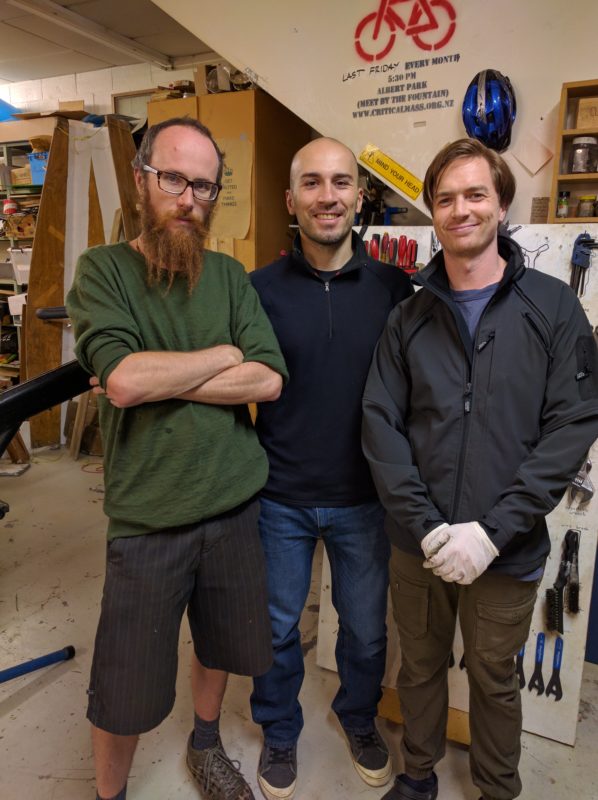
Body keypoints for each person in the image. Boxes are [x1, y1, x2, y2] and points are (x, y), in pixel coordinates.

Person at [362, 137, 598, 800]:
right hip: (418, 543)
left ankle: (497, 787)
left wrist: (492, 531)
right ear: (433, 212)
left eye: (474, 195)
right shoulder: (407, 317)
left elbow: (571, 425)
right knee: (420, 667)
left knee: (495, 676)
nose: (460, 209)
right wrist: (427, 526)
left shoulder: (553, 308)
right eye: (445, 198)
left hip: (511, 546)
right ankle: (417, 776)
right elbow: (380, 426)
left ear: (500, 204)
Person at [66, 117, 288, 800]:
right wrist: (223, 356)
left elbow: (270, 378)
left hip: (234, 506)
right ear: (141, 181)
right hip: (149, 517)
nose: (189, 199)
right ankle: (112, 794)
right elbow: (124, 380)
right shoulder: (104, 272)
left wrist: (164, 374)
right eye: (174, 180)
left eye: (204, 186)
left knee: (222, 647)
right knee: (125, 684)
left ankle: (204, 743)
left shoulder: (226, 276)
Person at [249, 137, 413, 800]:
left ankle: (359, 718)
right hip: (279, 496)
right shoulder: (256, 289)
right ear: (291, 200)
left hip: (363, 498)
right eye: (312, 183)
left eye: (340, 182)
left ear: (359, 195)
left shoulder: (393, 288)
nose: (328, 195)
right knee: (274, 628)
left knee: (368, 633)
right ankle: (280, 728)